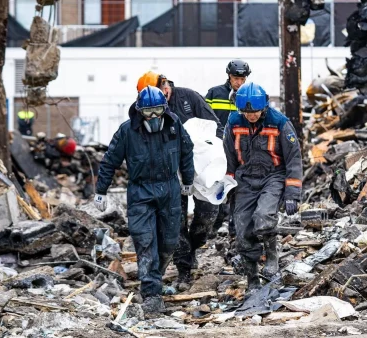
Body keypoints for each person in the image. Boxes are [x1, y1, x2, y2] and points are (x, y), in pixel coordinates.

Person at [94, 86, 194, 313]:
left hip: (169, 190)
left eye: (157, 110)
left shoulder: (174, 125)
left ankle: (154, 276)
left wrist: (187, 179)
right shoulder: (127, 132)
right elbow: (110, 161)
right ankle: (151, 293)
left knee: (169, 242)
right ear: (139, 111)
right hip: (141, 192)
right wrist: (101, 190)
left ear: (164, 109)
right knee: (145, 241)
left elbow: (186, 150)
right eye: (148, 112)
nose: (153, 116)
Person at [137, 71, 223, 291]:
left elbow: (214, 127)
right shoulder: (147, 107)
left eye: (161, 92)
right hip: (170, 172)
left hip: (200, 166)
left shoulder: (189, 98)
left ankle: (194, 246)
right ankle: (183, 270)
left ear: (165, 85)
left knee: (207, 216)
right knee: (174, 223)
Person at [223, 82, 302, 290]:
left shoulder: (279, 123)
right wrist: (226, 184)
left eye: (255, 112)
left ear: (264, 107)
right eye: (247, 112)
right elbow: (229, 156)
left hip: (272, 176)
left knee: (264, 217)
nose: (251, 116)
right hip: (245, 179)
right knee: (242, 230)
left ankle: (272, 254)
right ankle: (252, 279)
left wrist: (292, 193)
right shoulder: (233, 122)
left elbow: (294, 158)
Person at [206, 59, 251, 238]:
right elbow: (204, 119)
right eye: (235, 78)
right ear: (229, 77)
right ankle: (213, 225)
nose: (239, 82)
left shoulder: (250, 95)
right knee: (216, 186)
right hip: (217, 150)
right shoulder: (214, 93)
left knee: (238, 190)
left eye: (242, 79)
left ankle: (235, 231)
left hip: (241, 151)